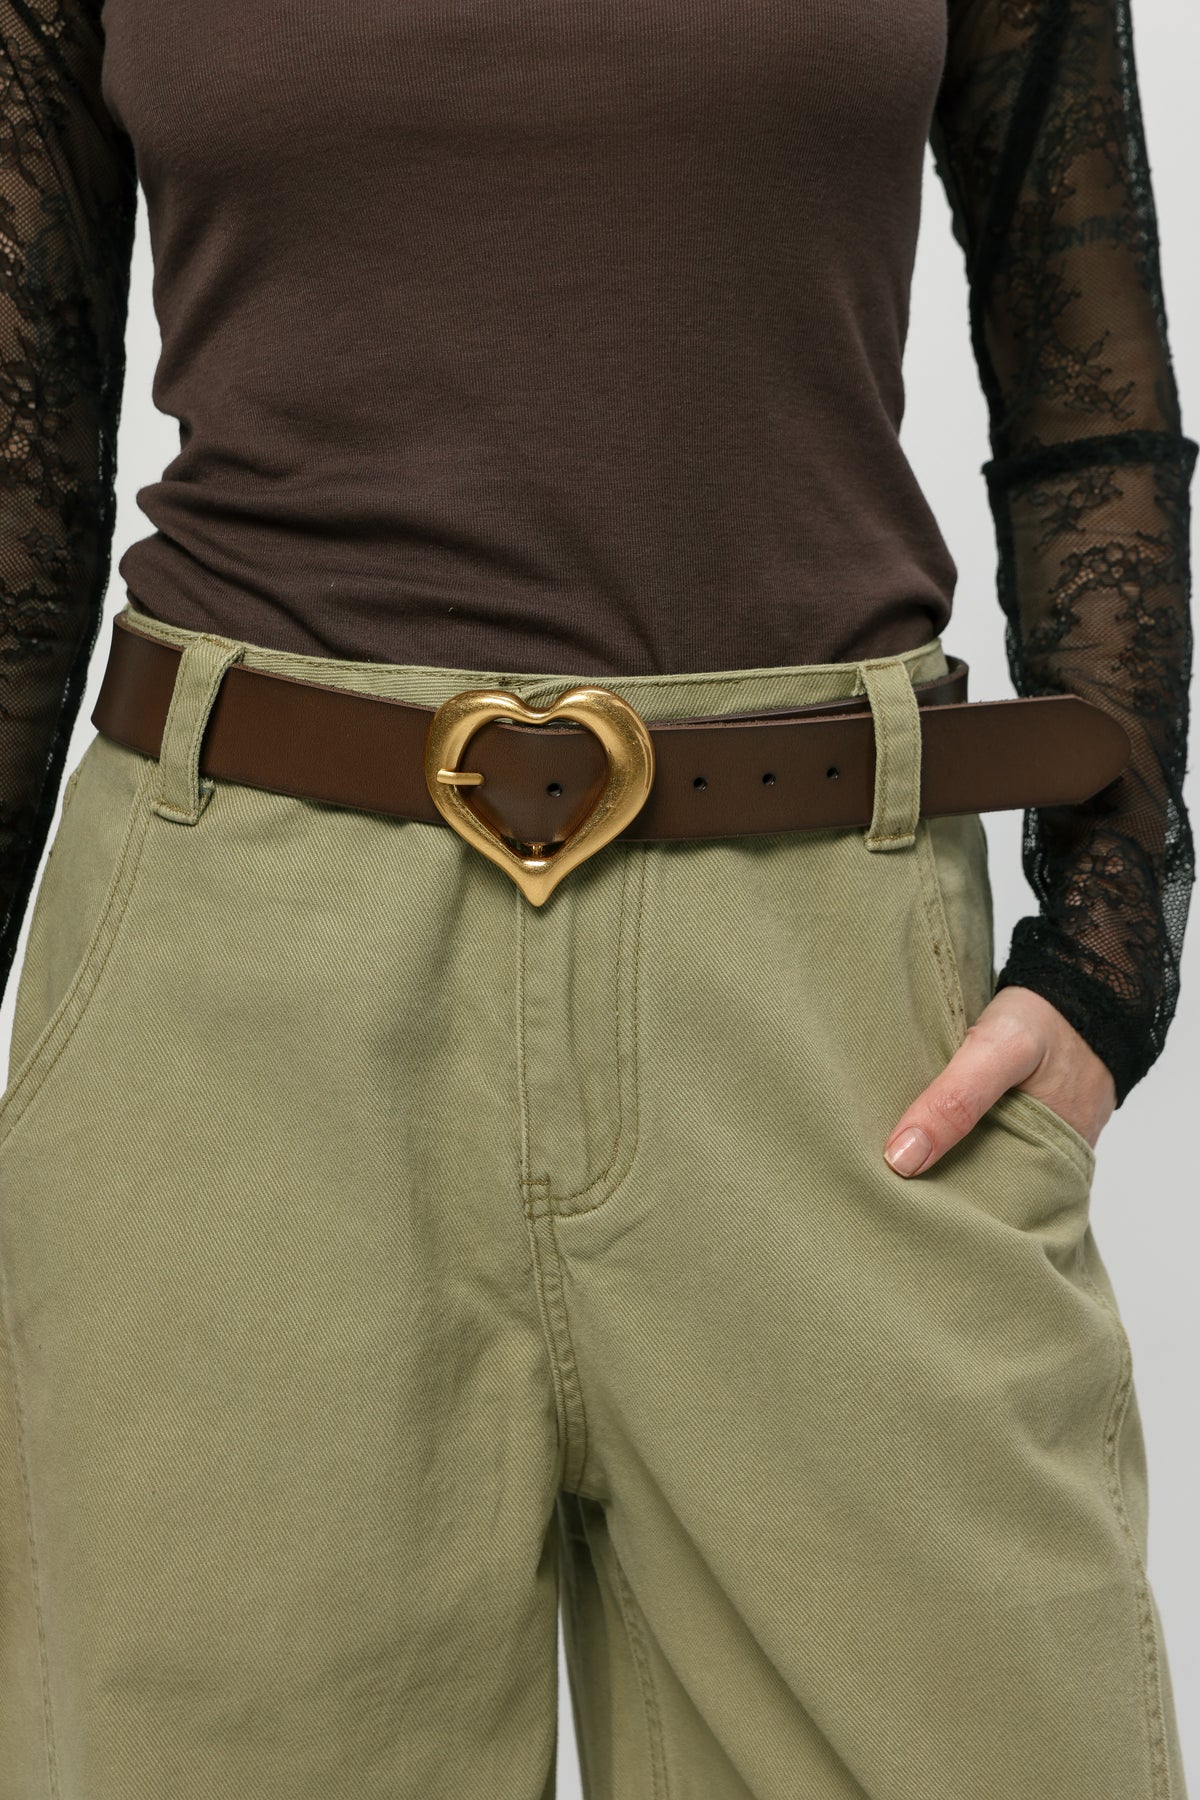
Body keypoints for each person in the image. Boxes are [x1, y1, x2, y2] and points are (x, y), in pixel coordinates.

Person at [0, 0, 1193, 1795]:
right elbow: (19, 459)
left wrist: (1109, 950)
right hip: (234, 1003)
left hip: (833, 996)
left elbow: (1087, 388)